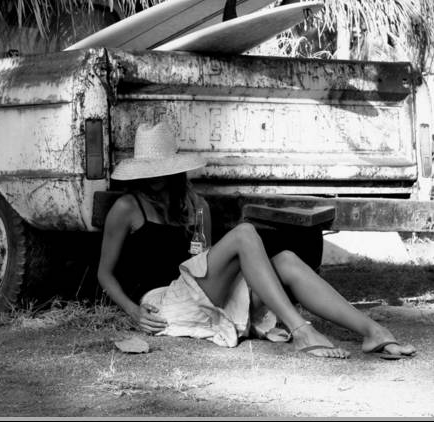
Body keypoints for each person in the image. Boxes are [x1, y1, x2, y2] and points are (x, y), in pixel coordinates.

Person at [97, 122, 416, 359]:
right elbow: (105, 274)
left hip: (200, 298)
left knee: (287, 260)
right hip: (165, 304)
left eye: (160, 168)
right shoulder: (127, 208)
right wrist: (133, 311)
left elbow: (205, 263)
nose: (154, 176)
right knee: (245, 233)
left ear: (173, 169)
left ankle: (372, 331)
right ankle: (302, 330)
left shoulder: (196, 207)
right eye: (148, 169)